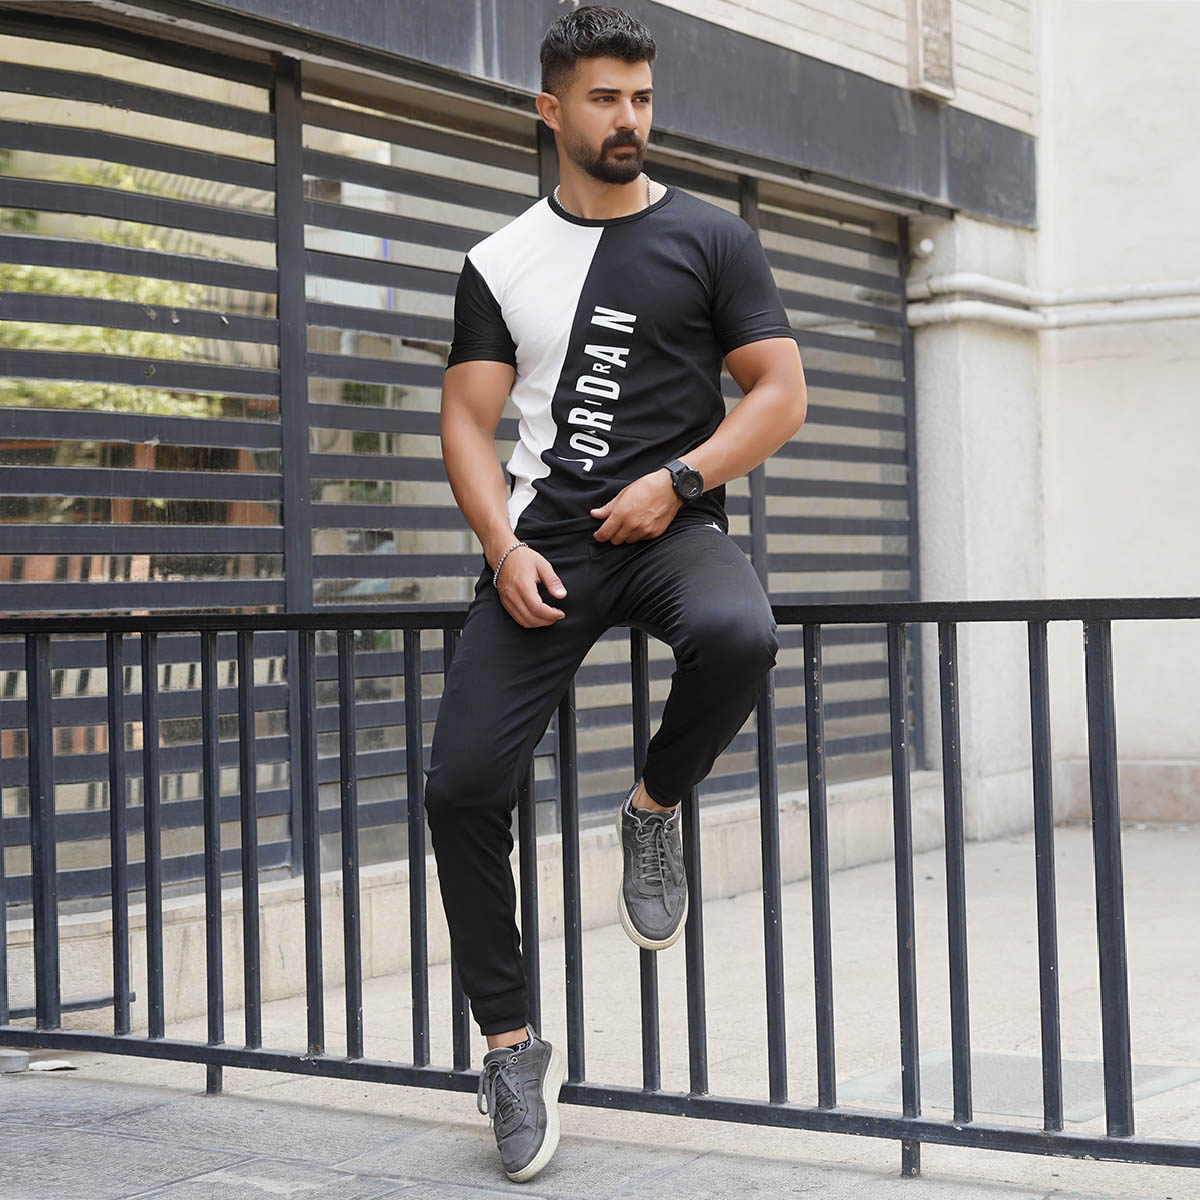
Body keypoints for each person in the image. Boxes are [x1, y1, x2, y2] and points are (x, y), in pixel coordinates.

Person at [424, 5, 807, 1184]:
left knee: (740, 634)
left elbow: (780, 392)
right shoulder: (501, 262)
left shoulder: (712, 237)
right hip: (545, 547)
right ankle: (510, 1050)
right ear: (553, 110)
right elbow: (467, 421)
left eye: (641, 96)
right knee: (461, 787)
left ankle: (652, 808)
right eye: (604, 98)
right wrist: (500, 547)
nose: (628, 117)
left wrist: (679, 479)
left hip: (671, 527)